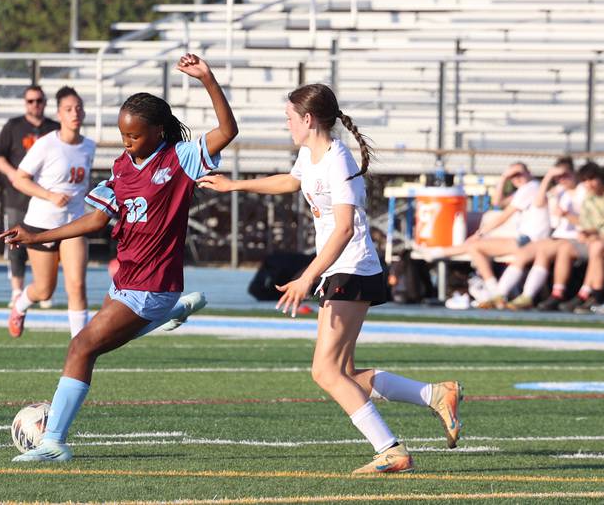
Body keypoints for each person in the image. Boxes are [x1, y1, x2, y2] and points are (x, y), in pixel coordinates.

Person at [197, 83, 462, 474]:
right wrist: (236, 184)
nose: (286, 124)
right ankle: (436, 394)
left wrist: (307, 278)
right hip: (341, 270)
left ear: (307, 119)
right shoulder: (310, 152)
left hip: (350, 269)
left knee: (324, 371)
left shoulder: (338, 160)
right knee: (347, 374)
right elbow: (291, 181)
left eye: (289, 117)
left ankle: (390, 449)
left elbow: (343, 231)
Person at [0, 53, 235, 462]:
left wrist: (208, 79)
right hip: (127, 280)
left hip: (150, 285)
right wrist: (39, 234)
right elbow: (94, 221)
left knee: (81, 348)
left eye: (135, 136)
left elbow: (228, 130)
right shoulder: (123, 166)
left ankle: (53, 442)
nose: (127, 142)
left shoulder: (179, 159)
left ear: (158, 131)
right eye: (123, 135)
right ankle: (169, 313)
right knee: (93, 347)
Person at [4, 86, 95, 339]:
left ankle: (80, 344)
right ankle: (20, 306)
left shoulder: (89, 146)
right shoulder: (46, 144)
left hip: (74, 224)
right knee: (44, 290)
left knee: (77, 285)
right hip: (42, 225)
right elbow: (20, 179)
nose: (74, 113)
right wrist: (50, 195)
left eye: (78, 108)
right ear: (59, 114)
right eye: (68, 109)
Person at [421, 162, 551, 302]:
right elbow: (497, 202)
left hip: (530, 241)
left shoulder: (530, 188)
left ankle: (495, 292)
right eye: (512, 176)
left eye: (519, 174)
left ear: (528, 172)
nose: (516, 178)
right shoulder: (526, 190)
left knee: (474, 246)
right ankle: (438, 252)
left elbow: (503, 217)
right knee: (475, 245)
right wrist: (503, 178)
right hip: (527, 239)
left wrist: (479, 234)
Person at [478, 157, 584, 310]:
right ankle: (508, 295)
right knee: (530, 253)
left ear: (573, 173)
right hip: (556, 237)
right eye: (558, 176)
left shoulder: (581, 190)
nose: (562, 179)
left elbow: (587, 221)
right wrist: (548, 177)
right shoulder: (559, 191)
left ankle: (516, 295)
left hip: (573, 238)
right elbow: (498, 203)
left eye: (565, 175)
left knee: (533, 251)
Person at [0, 85, 61, 308]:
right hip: (18, 196)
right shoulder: (13, 126)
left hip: (46, 199)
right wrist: (14, 174)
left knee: (48, 244)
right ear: (25, 103)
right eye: (31, 101)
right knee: (15, 244)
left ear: (45, 102)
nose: (35, 105)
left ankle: (43, 288)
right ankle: (17, 290)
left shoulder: (54, 128)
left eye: (39, 100)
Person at [536, 162, 604, 313]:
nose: (588, 184)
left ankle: (594, 296)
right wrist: (585, 234)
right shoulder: (589, 200)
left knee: (596, 247)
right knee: (566, 248)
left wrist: (596, 237)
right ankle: (558, 293)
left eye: (592, 179)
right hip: (598, 241)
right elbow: (587, 225)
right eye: (585, 180)